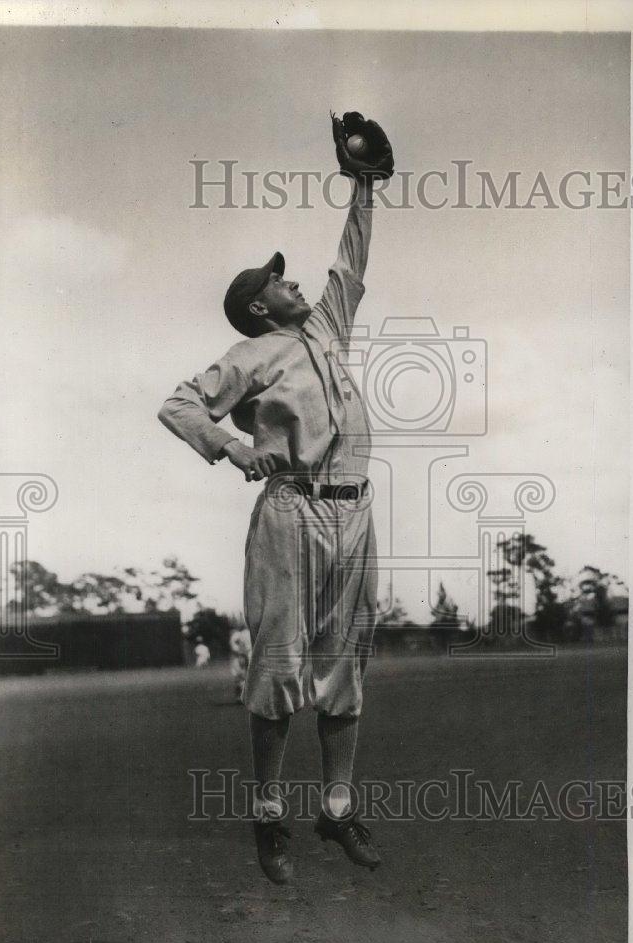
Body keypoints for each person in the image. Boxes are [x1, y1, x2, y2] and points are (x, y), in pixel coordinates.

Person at [159, 112, 393, 884]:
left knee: (344, 669)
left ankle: (334, 810)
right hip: (291, 512)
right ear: (260, 305)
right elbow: (181, 404)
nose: (294, 283)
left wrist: (361, 184)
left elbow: (349, 260)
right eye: (279, 281)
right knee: (278, 672)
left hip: (353, 511)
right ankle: (267, 817)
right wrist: (232, 447)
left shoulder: (326, 329)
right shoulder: (249, 353)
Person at [229, 626, 252, 703]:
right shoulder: (243, 634)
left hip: (242, 656)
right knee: (243, 676)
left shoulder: (239, 634)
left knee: (241, 676)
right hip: (244, 656)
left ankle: (242, 696)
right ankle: (243, 696)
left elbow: (234, 646)